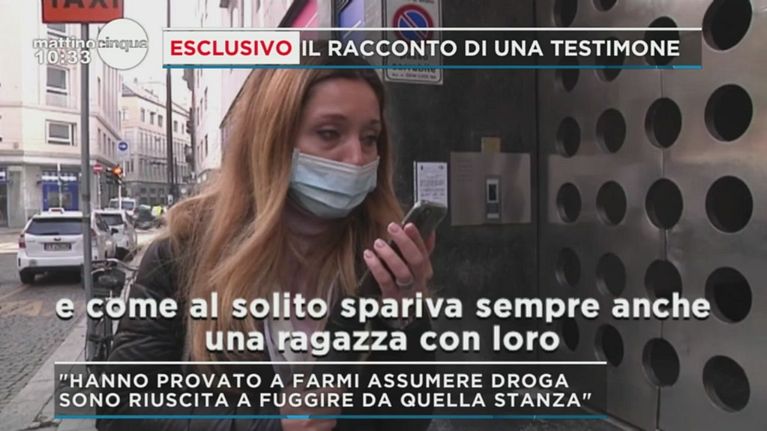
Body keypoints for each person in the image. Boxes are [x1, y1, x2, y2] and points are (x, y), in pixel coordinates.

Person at [97, 53, 436, 431]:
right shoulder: (183, 254)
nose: (357, 158)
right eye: (329, 133)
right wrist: (271, 424)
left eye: (369, 138)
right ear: (270, 139)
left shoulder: (375, 260)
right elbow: (120, 412)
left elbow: (407, 419)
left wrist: (406, 323)